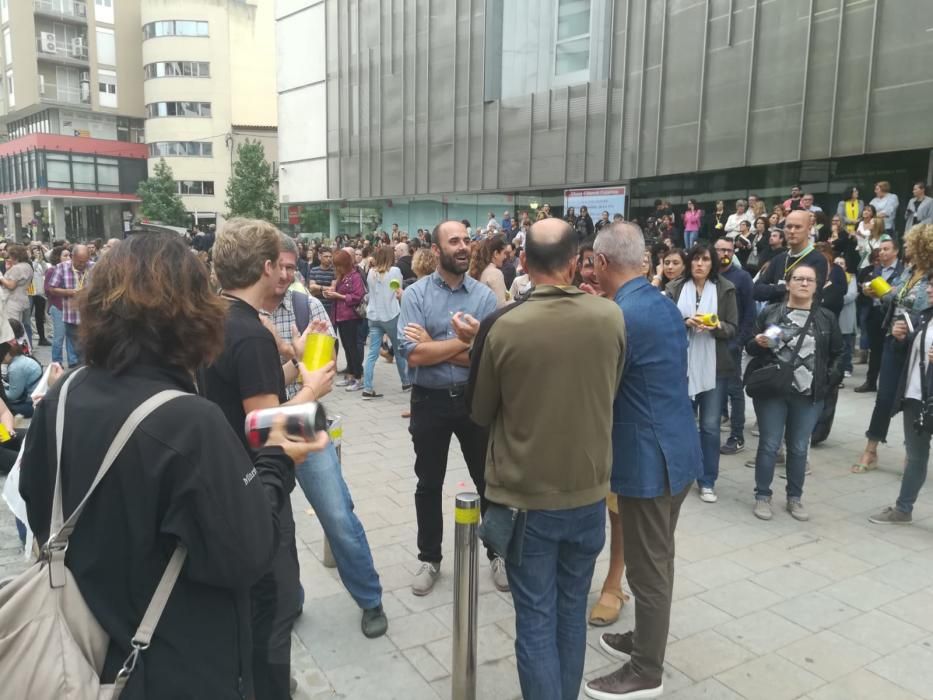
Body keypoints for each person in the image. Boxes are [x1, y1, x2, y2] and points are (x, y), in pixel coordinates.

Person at [19, 231, 329, 699]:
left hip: (85, 639)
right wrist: (277, 456)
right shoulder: (189, 421)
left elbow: (34, 496)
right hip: (174, 659)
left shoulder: (66, 393)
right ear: (190, 312)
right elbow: (248, 554)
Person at [468, 218, 626, 700]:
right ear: (576, 261)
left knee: (535, 618)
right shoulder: (610, 317)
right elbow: (611, 389)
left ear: (523, 262)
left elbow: (480, 411)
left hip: (526, 497)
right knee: (569, 609)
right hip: (587, 492)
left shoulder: (503, 326)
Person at [199, 218, 336, 699]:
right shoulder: (250, 333)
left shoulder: (211, 317)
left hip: (218, 482)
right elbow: (269, 432)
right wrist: (314, 386)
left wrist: (291, 358)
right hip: (257, 492)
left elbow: (234, 392)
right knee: (273, 610)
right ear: (262, 266)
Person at [585, 222, 701, 700]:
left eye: (592, 262)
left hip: (652, 460)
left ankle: (646, 670)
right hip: (675, 448)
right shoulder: (657, 302)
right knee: (655, 558)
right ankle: (644, 640)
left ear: (603, 264)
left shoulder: (622, 315)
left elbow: (599, 388)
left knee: (649, 569)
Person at [262, 234, 388, 638]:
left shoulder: (306, 305)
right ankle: (289, 598)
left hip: (301, 417)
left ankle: (370, 598)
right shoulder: (242, 312)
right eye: (277, 266)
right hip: (259, 424)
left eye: (290, 267)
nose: (284, 274)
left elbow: (323, 373)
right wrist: (295, 360)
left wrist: (290, 353)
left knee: (336, 513)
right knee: (272, 522)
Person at [396, 220, 502, 596]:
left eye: (466, 240)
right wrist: (464, 344)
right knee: (428, 483)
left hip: (475, 401)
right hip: (429, 402)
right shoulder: (416, 295)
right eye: (453, 241)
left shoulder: (485, 298)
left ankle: (497, 552)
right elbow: (415, 354)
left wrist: (438, 345)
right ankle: (430, 558)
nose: (463, 246)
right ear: (437, 250)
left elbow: (490, 359)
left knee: (488, 480)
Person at [746, 263, 843, 521]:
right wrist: (757, 343)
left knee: (799, 447)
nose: (803, 283)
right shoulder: (771, 313)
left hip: (809, 395)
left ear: (816, 286)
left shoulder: (826, 317)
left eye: (809, 280)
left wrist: (827, 381)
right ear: (787, 284)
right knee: (768, 444)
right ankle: (762, 495)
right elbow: (751, 346)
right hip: (773, 391)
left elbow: (838, 354)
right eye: (798, 278)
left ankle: (795, 498)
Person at [852, 224, 933, 474]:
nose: (906, 247)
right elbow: (894, 296)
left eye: (909, 244)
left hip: (918, 347)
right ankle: (871, 449)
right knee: (884, 398)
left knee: (914, 401)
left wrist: (910, 332)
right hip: (892, 341)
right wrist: (874, 289)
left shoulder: (930, 278)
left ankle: (913, 455)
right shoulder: (910, 271)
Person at [666, 244, 738, 503]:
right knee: (682, 424)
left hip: (714, 367)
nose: (699, 264)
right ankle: (680, 475)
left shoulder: (725, 288)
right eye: (695, 259)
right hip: (682, 364)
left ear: (712, 263)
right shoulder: (675, 288)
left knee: (709, 426)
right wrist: (684, 322)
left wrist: (716, 326)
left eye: (705, 260)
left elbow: (732, 327)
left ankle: (708, 480)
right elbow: (666, 323)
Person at [869, 281, 933, 525]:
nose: (928, 290)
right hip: (917, 397)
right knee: (916, 456)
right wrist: (900, 339)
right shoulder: (925, 316)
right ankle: (903, 509)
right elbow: (914, 354)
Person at [714, 237, 755, 455]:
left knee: (733, 389)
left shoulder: (742, 277)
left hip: (731, 343)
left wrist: (739, 341)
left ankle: (737, 435)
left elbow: (750, 311)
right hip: (708, 341)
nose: (724, 253)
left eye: (728, 250)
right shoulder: (709, 276)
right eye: (720, 249)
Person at [854, 236, 901, 394]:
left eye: (886, 249)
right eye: (880, 249)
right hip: (874, 313)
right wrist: (866, 290)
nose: (882, 252)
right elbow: (866, 286)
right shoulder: (876, 269)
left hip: (892, 315)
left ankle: (890, 385)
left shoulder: (902, 271)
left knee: (892, 349)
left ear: (896, 252)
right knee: (875, 350)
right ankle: (871, 381)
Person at [362, 245, 409, 398]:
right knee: (399, 349)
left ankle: (367, 388)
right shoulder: (395, 271)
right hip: (391, 315)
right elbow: (398, 290)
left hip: (374, 316)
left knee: (372, 354)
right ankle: (406, 381)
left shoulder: (371, 273)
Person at [754, 210, 830, 303]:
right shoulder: (779, 259)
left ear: (808, 229)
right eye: (789, 227)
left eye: (798, 227)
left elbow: (809, 295)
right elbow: (756, 291)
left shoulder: (818, 260)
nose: (792, 231)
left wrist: (773, 289)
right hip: (776, 314)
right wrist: (784, 287)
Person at [326, 250, 367, 392]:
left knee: (352, 348)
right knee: (347, 348)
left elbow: (358, 295)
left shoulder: (355, 276)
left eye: (339, 265)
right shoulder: (342, 276)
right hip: (340, 316)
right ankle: (350, 375)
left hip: (351, 316)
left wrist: (339, 295)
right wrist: (332, 292)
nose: (337, 268)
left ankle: (359, 377)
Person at [46, 244, 92, 365]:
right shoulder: (61, 268)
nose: (82, 265)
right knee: (74, 344)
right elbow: (51, 288)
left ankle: (84, 367)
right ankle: (75, 366)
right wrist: (68, 292)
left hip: (89, 315)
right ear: (72, 257)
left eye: (85, 262)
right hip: (71, 315)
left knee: (87, 344)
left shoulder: (94, 267)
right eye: (79, 262)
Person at [0, 319, 41, 417]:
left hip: (31, 404)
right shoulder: (21, 356)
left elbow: (13, 396)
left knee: (6, 407)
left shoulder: (15, 367)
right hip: (35, 399)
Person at [44, 246, 76, 366]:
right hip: (58, 307)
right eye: (65, 255)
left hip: (71, 308)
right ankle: (57, 362)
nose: (68, 258)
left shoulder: (71, 269)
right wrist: (63, 291)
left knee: (71, 336)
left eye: (69, 255)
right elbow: (47, 289)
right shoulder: (52, 270)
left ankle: (73, 361)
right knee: (59, 337)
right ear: (58, 257)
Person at [1, 245, 35, 346]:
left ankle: (16, 352)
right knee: (19, 329)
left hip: (12, 301)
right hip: (22, 299)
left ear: (15, 256)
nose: (8, 257)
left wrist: (1, 277)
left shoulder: (17, 268)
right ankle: (25, 350)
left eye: (10, 255)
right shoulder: (27, 266)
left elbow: (11, 285)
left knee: (12, 329)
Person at [470, 236, 509, 307]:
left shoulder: (479, 270)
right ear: (496, 253)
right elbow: (500, 305)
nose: (505, 257)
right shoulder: (495, 273)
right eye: (504, 253)